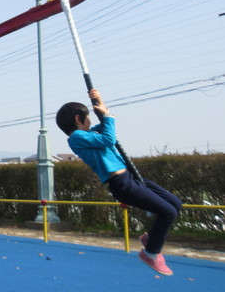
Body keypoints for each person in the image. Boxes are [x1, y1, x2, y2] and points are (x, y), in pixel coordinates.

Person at [55, 89, 182, 276]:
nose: (90, 121)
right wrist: (107, 117)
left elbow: (104, 124)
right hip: (122, 183)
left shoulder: (89, 134)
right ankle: (151, 253)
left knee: (175, 204)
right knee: (168, 212)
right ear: (77, 119)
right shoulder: (77, 137)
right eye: (87, 117)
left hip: (131, 178)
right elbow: (109, 138)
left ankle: (151, 238)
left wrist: (99, 101)